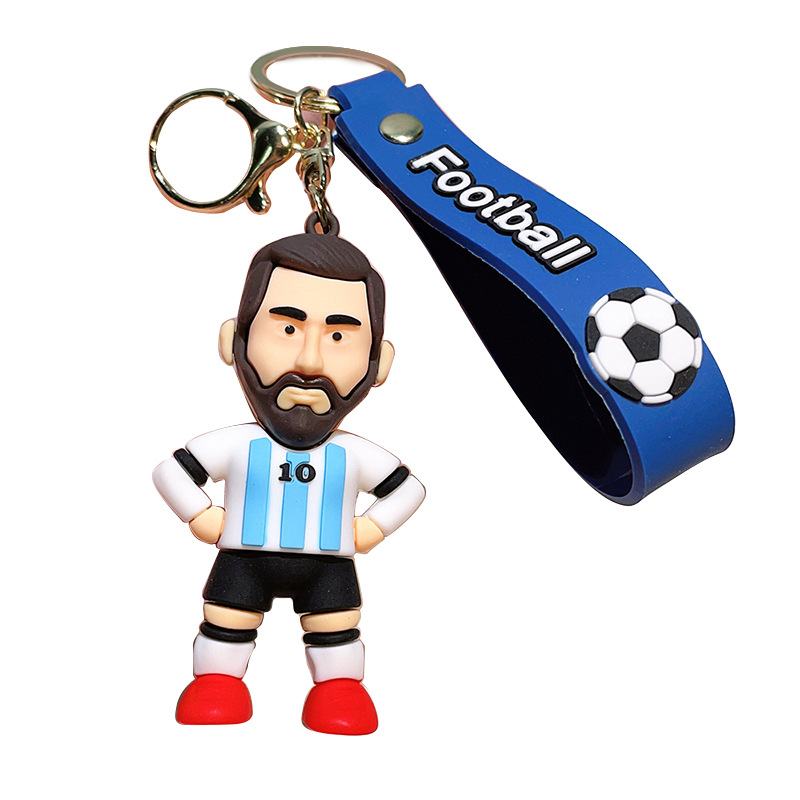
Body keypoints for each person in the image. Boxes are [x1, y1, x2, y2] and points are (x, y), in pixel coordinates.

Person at [153, 227, 425, 735]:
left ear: (379, 363)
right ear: (233, 341)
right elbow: (172, 471)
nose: (309, 362)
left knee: (336, 627)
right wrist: (200, 515)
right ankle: (217, 682)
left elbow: (406, 489)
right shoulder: (237, 444)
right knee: (228, 619)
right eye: (287, 328)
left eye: (339, 337)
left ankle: (338, 689)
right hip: (243, 559)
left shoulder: (353, 454)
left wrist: (374, 527)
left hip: (328, 566)